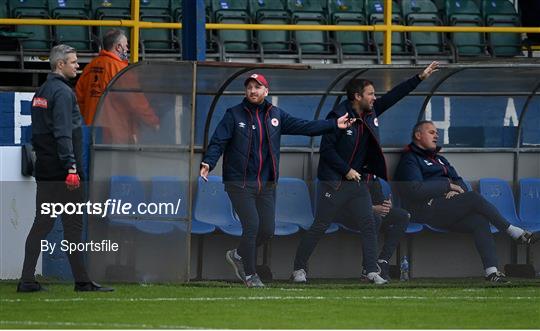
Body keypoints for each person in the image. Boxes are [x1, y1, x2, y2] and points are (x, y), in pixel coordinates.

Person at [291, 62, 439, 285]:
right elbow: (327, 151)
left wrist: (420, 77)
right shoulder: (339, 116)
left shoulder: (372, 111)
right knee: (320, 225)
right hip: (335, 183)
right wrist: (346, 170)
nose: (374, 97)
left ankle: (370, 270)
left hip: (357, 182)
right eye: (370, 94)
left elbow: (395, 95)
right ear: (357, 96)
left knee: (370, 221)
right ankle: (299, 269)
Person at [200, 73, 353, 288]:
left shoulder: (276, 115)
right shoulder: (233, 115)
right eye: (249, 87)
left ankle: (238, 254)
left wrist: (333, 124)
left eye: (257, 87)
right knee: (252, 226)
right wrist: (208, 162)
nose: (252, 91)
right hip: (239, 183)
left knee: (266, 230)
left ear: (266, 91)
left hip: (267, 184)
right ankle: (251, 275)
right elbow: (218, 141)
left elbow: (305, 127)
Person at [18, 45, 113, 292]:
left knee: (42, 224)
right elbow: (62, 133)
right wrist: (71, 167)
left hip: (47, 171)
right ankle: (81, 281)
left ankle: (27, 279)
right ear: (60, 65)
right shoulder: (62, 93)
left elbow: (42, 133)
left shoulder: (42, 91)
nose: (77, 66)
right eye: (73, 62)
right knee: (73, 227)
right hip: (63, 173)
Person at [394, 120, 538, 282]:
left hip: (447, 209)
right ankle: (514, 232)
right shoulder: (410, 160)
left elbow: (460, 182)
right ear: (418, 135)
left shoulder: (440, 160)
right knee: (473, 197)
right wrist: (446, 186)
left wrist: (455, 190)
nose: (436, 135)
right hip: (425, 211)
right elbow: (415, 190)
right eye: (431, 132)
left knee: (479, 220)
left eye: (437, 132)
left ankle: (491, 272)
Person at [75, 29, 159, 143]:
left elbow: (79, 97)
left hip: (92, 128)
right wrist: (153, 121)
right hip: (114, 131)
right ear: (118, 47)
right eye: (126, 46)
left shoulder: (90, 67)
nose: (128, 49)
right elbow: (136, 101)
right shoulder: (121, 70)